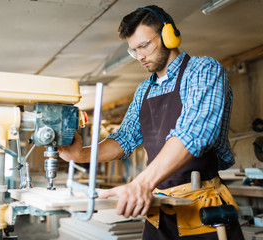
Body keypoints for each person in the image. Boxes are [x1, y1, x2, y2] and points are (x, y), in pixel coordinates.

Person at [58, 5, 244, 240]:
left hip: (203, 212)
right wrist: (81, 155)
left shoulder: (203, 70)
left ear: (169, 35)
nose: (140, 56)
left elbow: (193, 134)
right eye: (134, 51)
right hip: (158, 210)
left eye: (144, 46)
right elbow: (123, 139)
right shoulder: (144, 89)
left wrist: (142, 183)